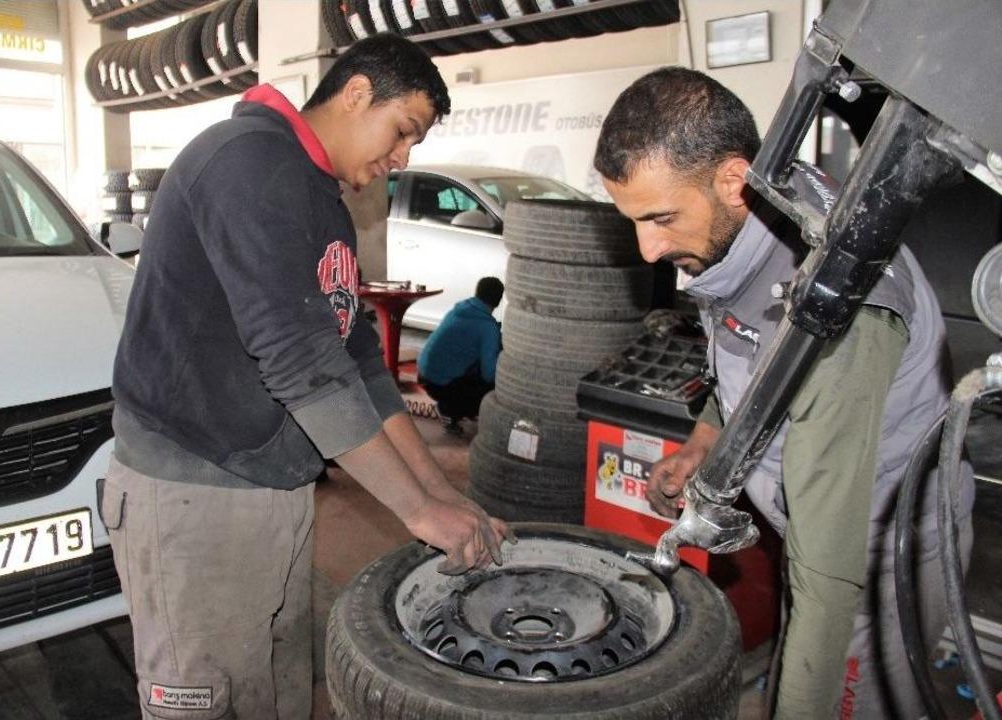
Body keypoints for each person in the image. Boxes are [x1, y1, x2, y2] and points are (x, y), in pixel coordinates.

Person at [101, 35, 511, 720]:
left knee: (278, 694)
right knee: (212, 704)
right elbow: (298, 361)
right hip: (197, 496)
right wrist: (415, 512)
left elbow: (358, 366)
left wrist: (441, 493)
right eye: (402, 130)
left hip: (274, 485)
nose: (403, 158)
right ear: (356, 93)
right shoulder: (246, 164)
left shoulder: (319, 201)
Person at [593, 67, 974, 719]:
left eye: (661, 218)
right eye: (634, 220)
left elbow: (828, 582)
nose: (648, 248)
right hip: (816, 532)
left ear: (733, 180)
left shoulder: (839, 316)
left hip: (877, 562)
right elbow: (750, 361)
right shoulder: (748, 222)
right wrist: (704, 443)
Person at [417, 276, 504, 435]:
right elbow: (489, 374)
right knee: (497, 385)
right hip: (441, 384)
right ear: (498, 301)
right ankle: (451, 411)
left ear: (477, 292)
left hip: (423, 373)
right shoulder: (487, 327)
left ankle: (451, 405)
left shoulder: (460, 308)